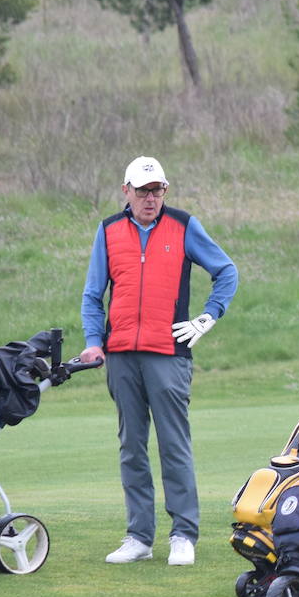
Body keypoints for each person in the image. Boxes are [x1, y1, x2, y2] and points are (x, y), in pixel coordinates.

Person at [80, 156, 238, 567]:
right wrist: (94, 342)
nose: (151, 198)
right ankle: (139, 536)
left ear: (164, 190)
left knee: (174, 445)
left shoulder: (184, 225)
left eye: (157, 190)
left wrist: (208, 316)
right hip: (121, 356)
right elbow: (93, 293)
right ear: (126, 190)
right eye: (143, 190)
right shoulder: (109, 231)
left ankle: (183, 534)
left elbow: (226, 272)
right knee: (131, 447)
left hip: (168, 352)